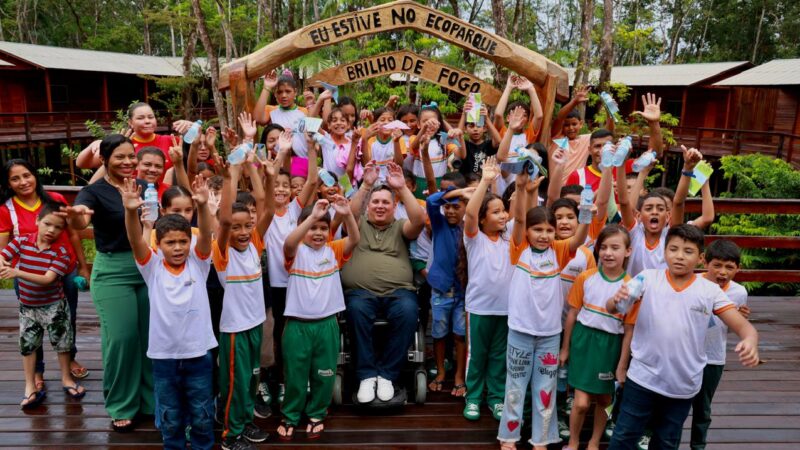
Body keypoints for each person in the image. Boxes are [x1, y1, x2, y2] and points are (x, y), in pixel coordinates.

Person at [608, 225, 760, 449]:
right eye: (673, 249)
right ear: (664, 252)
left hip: (683, 384)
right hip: (642, 379)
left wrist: (750, 340)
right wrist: (617, 299)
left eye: (688, 251)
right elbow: (613, 307)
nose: (679, 256)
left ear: (700, 259)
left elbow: (745, 328)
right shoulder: (647, 278)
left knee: (667, 442)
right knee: (623, 438)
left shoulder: (710, 291)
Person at [63, 134, 153, 432]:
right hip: (113, 269)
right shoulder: (95, 191)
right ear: (104, 160)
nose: (128, 162)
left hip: (148, 268)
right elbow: (81, 220)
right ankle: (122, 404)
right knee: (122, 338)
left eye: (131, 157)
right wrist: (77, 217)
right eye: (120, 157)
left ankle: (150, 400)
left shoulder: (142, 187)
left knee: (150, 338)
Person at [497, 168, 589, 450]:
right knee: (515, 388)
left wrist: (585, 214)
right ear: (527, 232)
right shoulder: (518, 247)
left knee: (545, 391)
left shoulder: (559, 251)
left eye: (549, 230)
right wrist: (525, 189)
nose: (544, 235)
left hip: (550, 335)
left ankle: (541, 440)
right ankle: (509, 438)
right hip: (520, 332)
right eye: (538, 229)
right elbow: (522, 217)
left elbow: (579, 239)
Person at [123, 175, 216, 450]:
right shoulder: (151, 267)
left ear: (191, 241)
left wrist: (201, 207)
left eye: (182, 242)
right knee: (170, 416)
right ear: (158, 244)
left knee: (201, 414)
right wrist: (131, 211)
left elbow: (207, 236)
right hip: (164, 357)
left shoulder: (199, 263)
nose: (177, 248)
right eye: (170, 243)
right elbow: (134, 240)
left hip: (198, 354)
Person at [0, 159, 91, 388]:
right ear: (8, 184)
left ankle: (69, 359)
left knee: (67, 317)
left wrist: (82, 266)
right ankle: (37, 371)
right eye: (15, 178)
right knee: (33, 322)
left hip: (64, 269)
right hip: (28, 275)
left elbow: (72, 235)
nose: (23, 182)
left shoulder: (55, 200)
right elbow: (4, 250)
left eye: (27, 175)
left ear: (34, 175)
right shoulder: (6, 210)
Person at [341, 161, 425, 404]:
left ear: (394, 206)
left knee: (409, 311)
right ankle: (367, 375)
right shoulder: (357, 225)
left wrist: (401, 188)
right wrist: (367, 185)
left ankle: (387, 374)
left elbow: (419, 221)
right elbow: (351, 212)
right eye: (375, 202)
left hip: (398, 292)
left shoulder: (401, 226)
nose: (379, 206)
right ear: (369, 205)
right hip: (360, 293)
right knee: (356, 311)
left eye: (385, 202)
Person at [278, 196, 360, 441]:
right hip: (297, 326)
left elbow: (355, 239)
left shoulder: (333, 251)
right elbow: (289, 241)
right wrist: (312, 216)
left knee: (324, 373)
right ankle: (291, 415)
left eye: (323, 228)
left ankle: (317, 413)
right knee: (295, 374)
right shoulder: (295, 251)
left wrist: (346, 214)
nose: (318, 232)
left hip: (327, 325)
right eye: (312, 228)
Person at [213, 150, 275, 450]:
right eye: (236, 227)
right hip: (235, 329)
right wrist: (230, 176)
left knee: (251, 379)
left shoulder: (255, 243)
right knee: (235, 384)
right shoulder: (222, 253)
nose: (242, 231)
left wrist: (266, 173)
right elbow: (224, 221)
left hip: (254, 324)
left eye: (246, 226)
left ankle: (245, 419)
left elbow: (267, 208)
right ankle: (230, 435)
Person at [560, 225, 635, 450]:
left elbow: (629, 329)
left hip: (610, 345)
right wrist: (565, 348)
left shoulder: (632, 286)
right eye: (603, 247)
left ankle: (594, 442)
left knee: (604, 399)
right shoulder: (586, 277)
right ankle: (573, 442)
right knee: (581, 403)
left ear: (628, 251)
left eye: (615, 247)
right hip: (584, 341)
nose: (608, 253)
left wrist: (622, 364)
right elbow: (572, 314)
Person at [461, 157, 513, 421]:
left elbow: (523, 214)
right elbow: (470, 212)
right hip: (480, 308)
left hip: (506, 309)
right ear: (482, 220)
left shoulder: (510, 237)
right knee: (477, 354)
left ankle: (495, 397)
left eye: (504, 210)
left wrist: (525, 186)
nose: (503, 215)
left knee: (498, 356)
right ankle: (473, 397)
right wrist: (485, 180)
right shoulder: (474, 238)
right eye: (495, 212)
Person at [691, 239, 750, 450]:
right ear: (705, 262)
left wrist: (740, 320)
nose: (722, 272)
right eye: (717, 265)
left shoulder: (739, 292)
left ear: (738, 269)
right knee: (673, 404)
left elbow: (732, 327)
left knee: (703, 408)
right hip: (684, 353)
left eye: (729, 267)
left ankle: (698, 446)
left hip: (713, 356)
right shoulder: (692, 282)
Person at [76, 102, 194, 184]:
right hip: (129, 197)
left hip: (165, 198)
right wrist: (94, 144)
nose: (147, 121)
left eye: (150, 117)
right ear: (130, 123)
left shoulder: (171, 140)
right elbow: (82, 164)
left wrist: (193, 127)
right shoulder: (123, 144)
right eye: (141, 118)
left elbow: (198, 149)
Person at [425, 179, 469, 398]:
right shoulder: (439, 223)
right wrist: (456, 192)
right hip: (441, 288)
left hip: (464, 290)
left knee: (461, 335)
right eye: (448, 206)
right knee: (439, 333)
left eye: (456, 206)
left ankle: (459, 376)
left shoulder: (470, 225)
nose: (450, 211)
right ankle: (441, 372)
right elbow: (431, 201)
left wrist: (467, 197)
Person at [457, 102, 501, 177]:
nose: (475, 129)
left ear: (484, 128)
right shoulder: (464, 144)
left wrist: (486, 118)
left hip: (484, 183)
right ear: (465, 129)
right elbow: (458, 135)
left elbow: (498, 141)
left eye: (479, 126)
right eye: (471, 126)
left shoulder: (488, 145)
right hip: (466, 183)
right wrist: (464, 114)